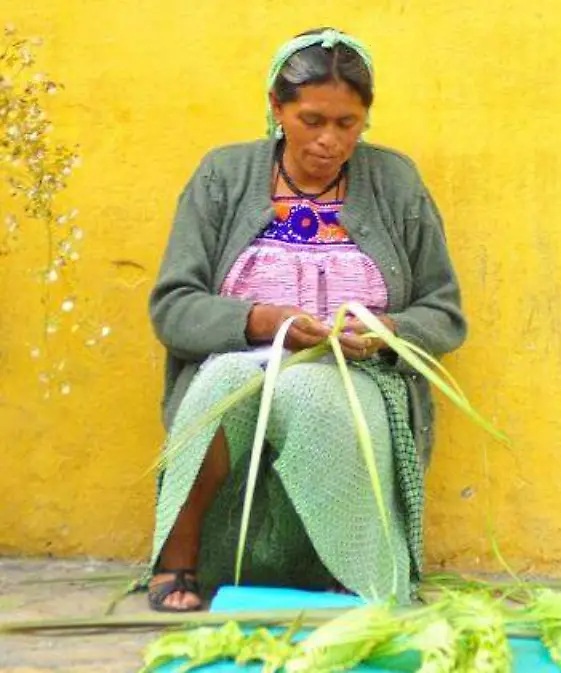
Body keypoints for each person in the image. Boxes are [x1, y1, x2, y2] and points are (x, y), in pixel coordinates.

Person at [144, 27, 465, 611]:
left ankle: (356, 568)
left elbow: (443, 313)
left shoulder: (395, 182)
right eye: (311, 120)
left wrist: (386, 332)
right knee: (221, 385)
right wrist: (264, 322)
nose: (329, 140)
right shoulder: (222, 176)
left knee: (313, 392)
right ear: (277, 106)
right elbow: (173, 306)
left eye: (347, 123)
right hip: (242, 357)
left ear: (366, 118)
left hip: (360, 375)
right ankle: (178, 556)